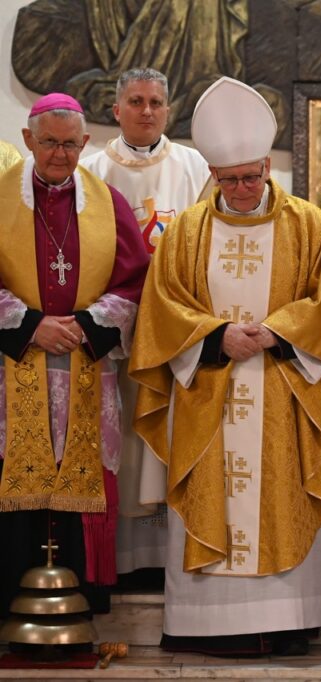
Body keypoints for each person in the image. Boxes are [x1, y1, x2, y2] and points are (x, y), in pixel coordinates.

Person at [129, 77, 321, 656]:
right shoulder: (187, 230)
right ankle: (207, 624)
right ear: (213, 176)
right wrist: (215, 336)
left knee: (284, 496)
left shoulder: (307, 223)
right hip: (208, 390)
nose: (243, 189)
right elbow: (162, 306)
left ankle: (289, 620)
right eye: (230, 180)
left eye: (252, 176)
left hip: (285, 386)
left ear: (268, 167)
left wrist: (279, 332)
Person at [0, 93, 149, 619]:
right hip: (13, 368)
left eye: (69, 144)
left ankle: (82, 602)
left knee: (82, 476)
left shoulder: (107, 202)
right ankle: (9, 602)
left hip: (85, 362)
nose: (60, 154)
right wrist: (31, 326)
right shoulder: (0, 198)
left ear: (85, 143)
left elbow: (135, 279)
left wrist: (85, 326)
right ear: (28, 139)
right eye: (49, 143)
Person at [80, 67, 211, 579]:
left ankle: (168, 555)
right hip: (114, 326)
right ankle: (123, 557)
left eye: (155, 102)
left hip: (175, 324)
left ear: (168, 110)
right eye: (136, 102)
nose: (147, 111)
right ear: (117, 110)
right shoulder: (91, 170)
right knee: (123, 436)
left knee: (169, 432)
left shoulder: (195, 166)